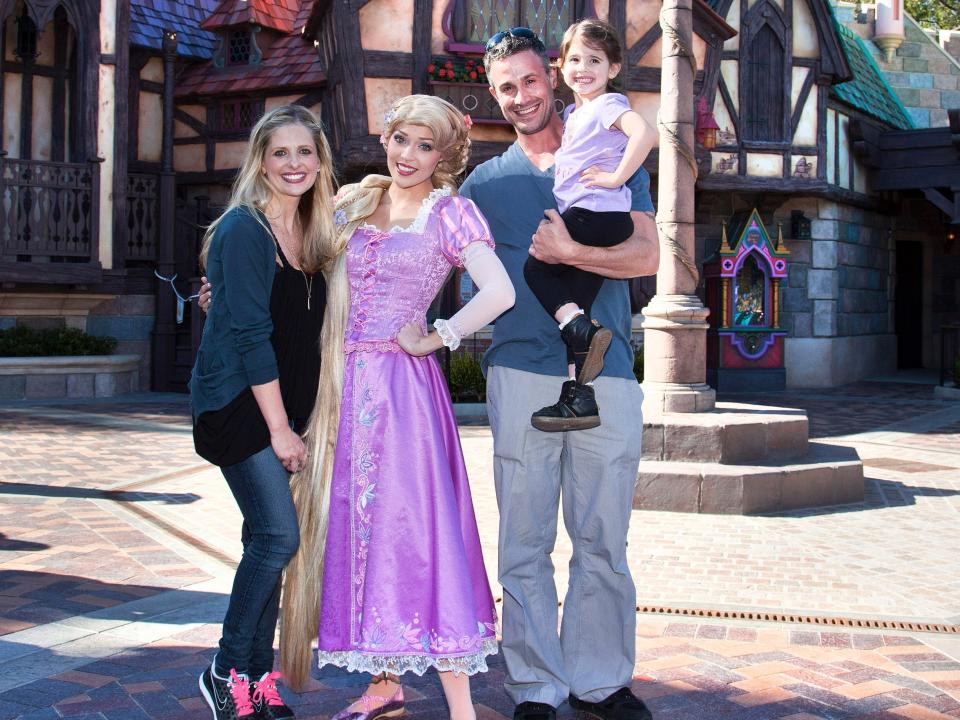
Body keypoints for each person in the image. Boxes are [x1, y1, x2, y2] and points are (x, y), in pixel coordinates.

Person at [278, 94, 515, 720]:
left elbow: (499, 290)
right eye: (400, 139)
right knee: (358, 531)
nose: (408, 155)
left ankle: (461, 707)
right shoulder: (354, 202)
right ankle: (384, 683)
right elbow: (300, 267)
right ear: (386, 138)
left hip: (404, 395)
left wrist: (439, 335)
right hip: (341, 389)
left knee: (418, 533)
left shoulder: (451, 212)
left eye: (425, 145)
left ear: (444, 154)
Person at [458, 27, 660, 720]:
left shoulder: (611, 152)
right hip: (520, 373)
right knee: (524, 542)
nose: (521, 97)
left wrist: (571, 248)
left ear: (556, 75)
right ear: (494, 95)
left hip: (608, 375)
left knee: (603, 538)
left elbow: (646, 258)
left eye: (530, 80)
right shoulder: (484, 186)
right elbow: (443, 275)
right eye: (506, 88)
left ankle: (600, 680)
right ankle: (537, 687)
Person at [190, 104, 337, 720]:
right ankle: (225, 670)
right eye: (280, 152)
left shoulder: (319, 235)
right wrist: (280, 430)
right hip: (241, 407)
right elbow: (252, 336)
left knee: (266, 542)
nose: (294, 163)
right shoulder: (244, 230)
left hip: (284, 410)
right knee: (278, 536)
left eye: (305, 152)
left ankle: (256, 680)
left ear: (320, 161)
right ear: (260, 160)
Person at [523, 19, 656, 432]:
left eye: (594, 60)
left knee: (537, 267)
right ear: (561, 66)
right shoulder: (574, 113)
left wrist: (616, 179)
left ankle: (578, 329)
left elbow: (645, 134)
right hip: (599, 219)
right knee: (578, 315)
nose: (583, 67)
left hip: (595, 214)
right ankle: (579, 397)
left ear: (612, 69)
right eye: (575, 59)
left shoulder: (609, 106)